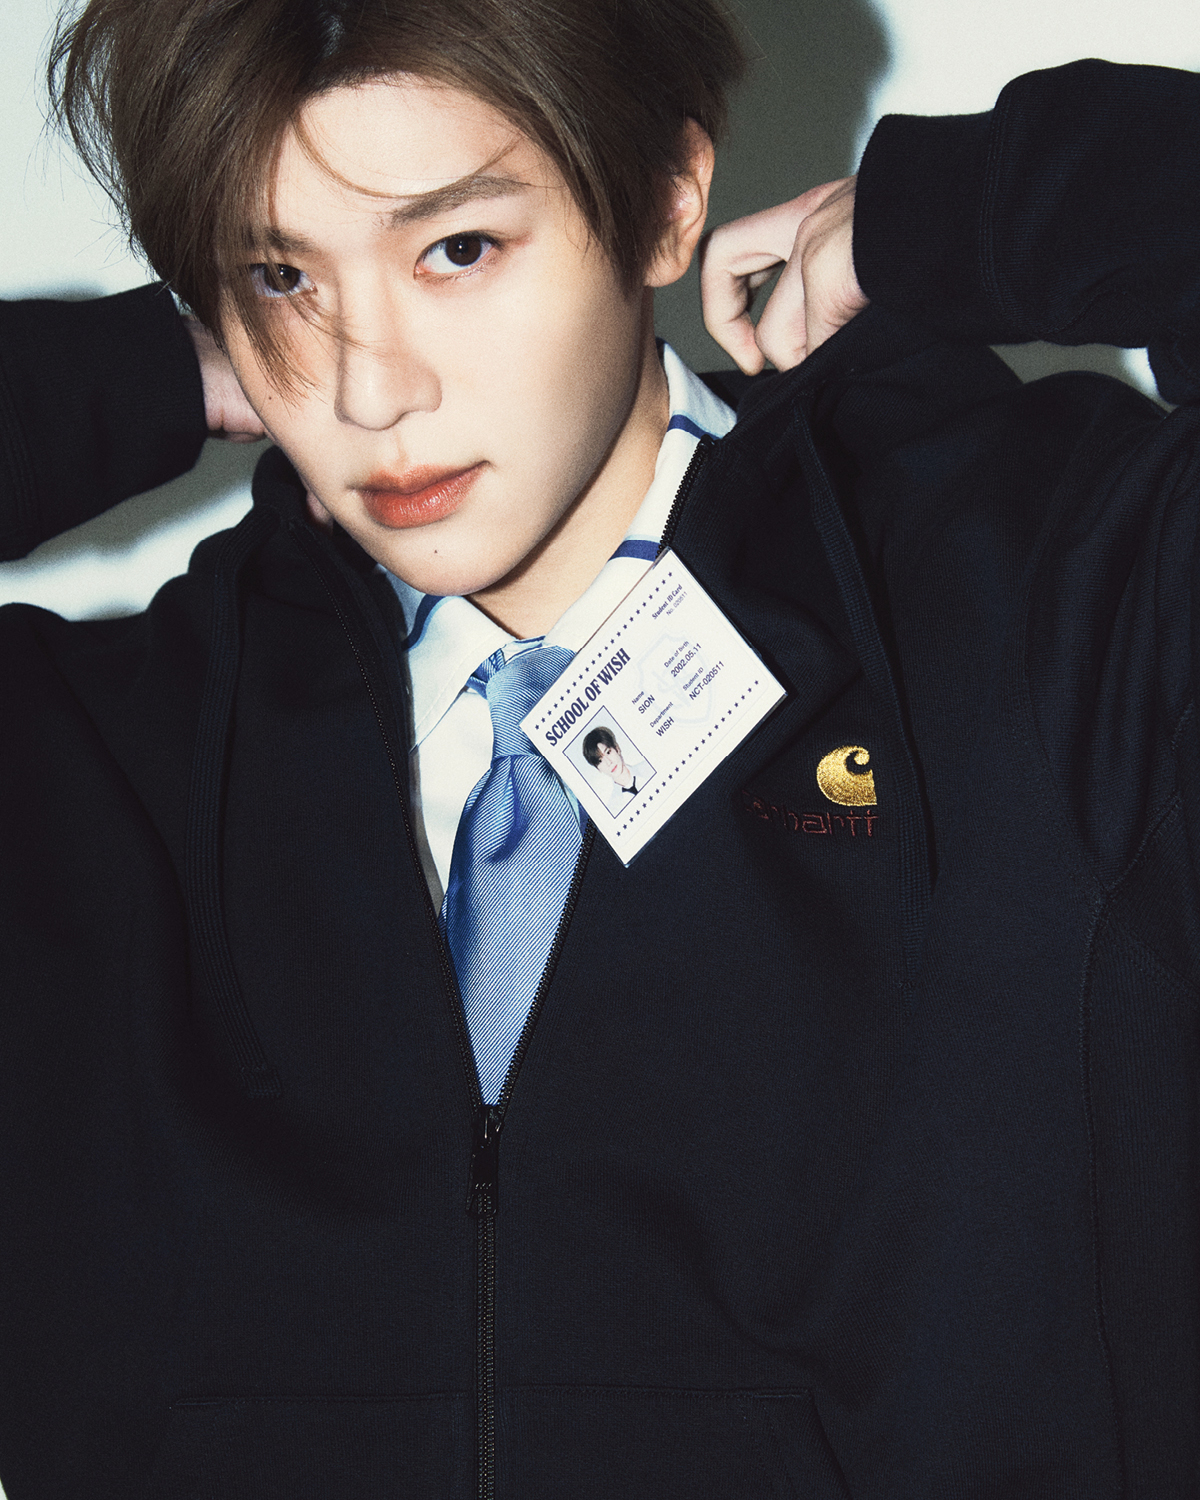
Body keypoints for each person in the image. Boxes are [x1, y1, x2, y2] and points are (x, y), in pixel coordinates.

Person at [2, 3, 1200, 1492]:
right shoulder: (105, 767)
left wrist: (963, 215)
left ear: (664, 201)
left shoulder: (1049, 617)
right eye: (283, 276)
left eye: (457, 249)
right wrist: (144, 373)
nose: (370, 387)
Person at [580, 725, 652, 812]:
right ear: (598, 769)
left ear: (617, 748)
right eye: (600, 761)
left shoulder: (649, 768)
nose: (609, 762)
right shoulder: (613, 808)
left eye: (608, 752)